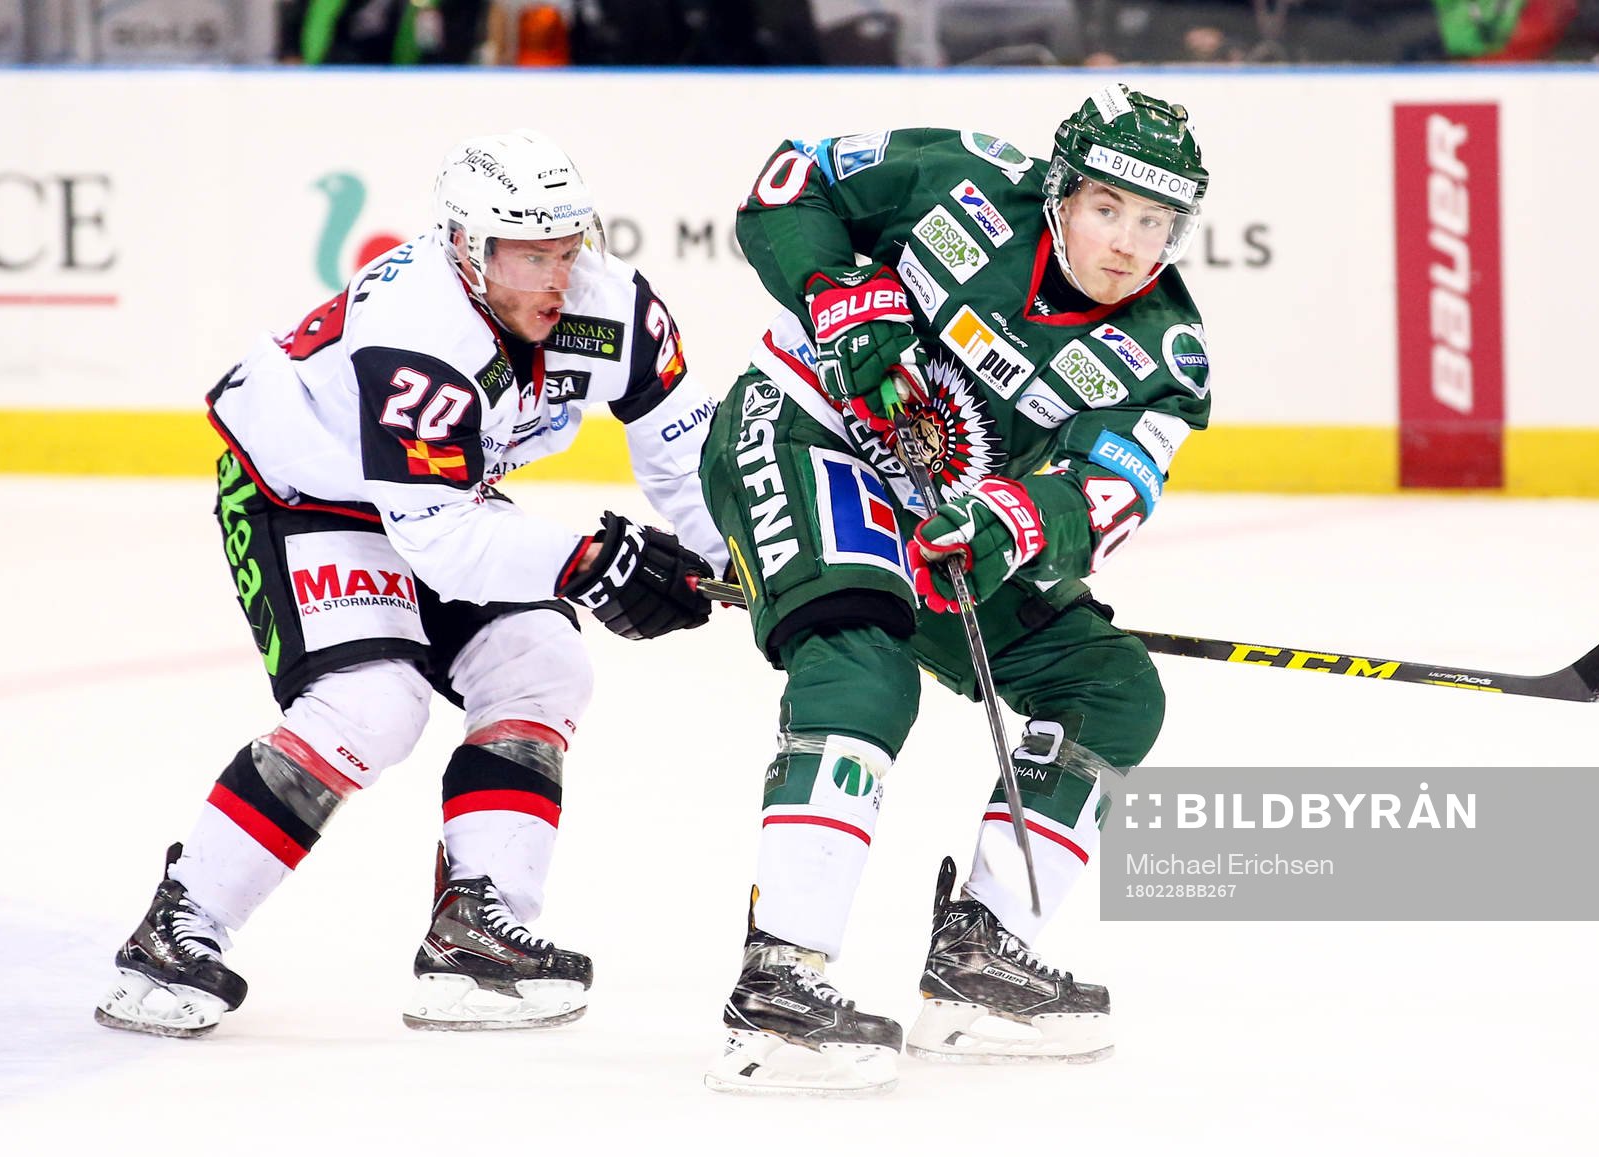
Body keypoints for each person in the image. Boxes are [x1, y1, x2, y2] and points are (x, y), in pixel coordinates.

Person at [95, 130, 720, 1038]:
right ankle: (180, 925)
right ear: (470, 247)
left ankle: (476, 932)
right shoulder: (417, 329)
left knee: (543, 666)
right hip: (302, 492)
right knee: (371, 705)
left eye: (566, 247)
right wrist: (593, 560)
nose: (554, 276)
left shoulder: (610, 304)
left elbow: (680, 454)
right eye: (528, 254)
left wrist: (737, 560)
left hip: (434, 496)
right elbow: (443, 543)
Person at [698, 85, 1211, 1094]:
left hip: (955, 523)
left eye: (1154, 222)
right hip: (807, 430)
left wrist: (1011, 523)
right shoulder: (959, 177)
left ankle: (982, 957)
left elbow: (1104, 490)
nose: (1126, 243)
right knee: (863, 666)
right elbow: (787, 185)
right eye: (1108, 207)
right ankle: (781, 979)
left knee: (1112, 689)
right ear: (1060, 190)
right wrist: (840, 287)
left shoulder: (1164, 353)